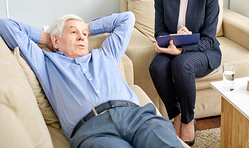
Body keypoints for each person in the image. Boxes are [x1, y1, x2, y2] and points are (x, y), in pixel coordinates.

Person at [0, 12, 184, 148]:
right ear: (56, 42)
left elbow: (127, 18)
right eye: (73, 32)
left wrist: (86, 27)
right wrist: (47, 38)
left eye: (84, 34)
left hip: (136, 117)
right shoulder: (46, 62)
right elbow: (5, 25)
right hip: (93, 130)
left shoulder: (106, 54)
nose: (81, 37)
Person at [149, 0, 221, 146]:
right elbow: (159, 30)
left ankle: (189, 120)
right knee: (156, 66)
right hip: (173, 45)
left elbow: (208, 38)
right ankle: (177, 114)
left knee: (181, 64)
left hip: (203, 51)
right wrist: (168, 40)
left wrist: (182, 50)